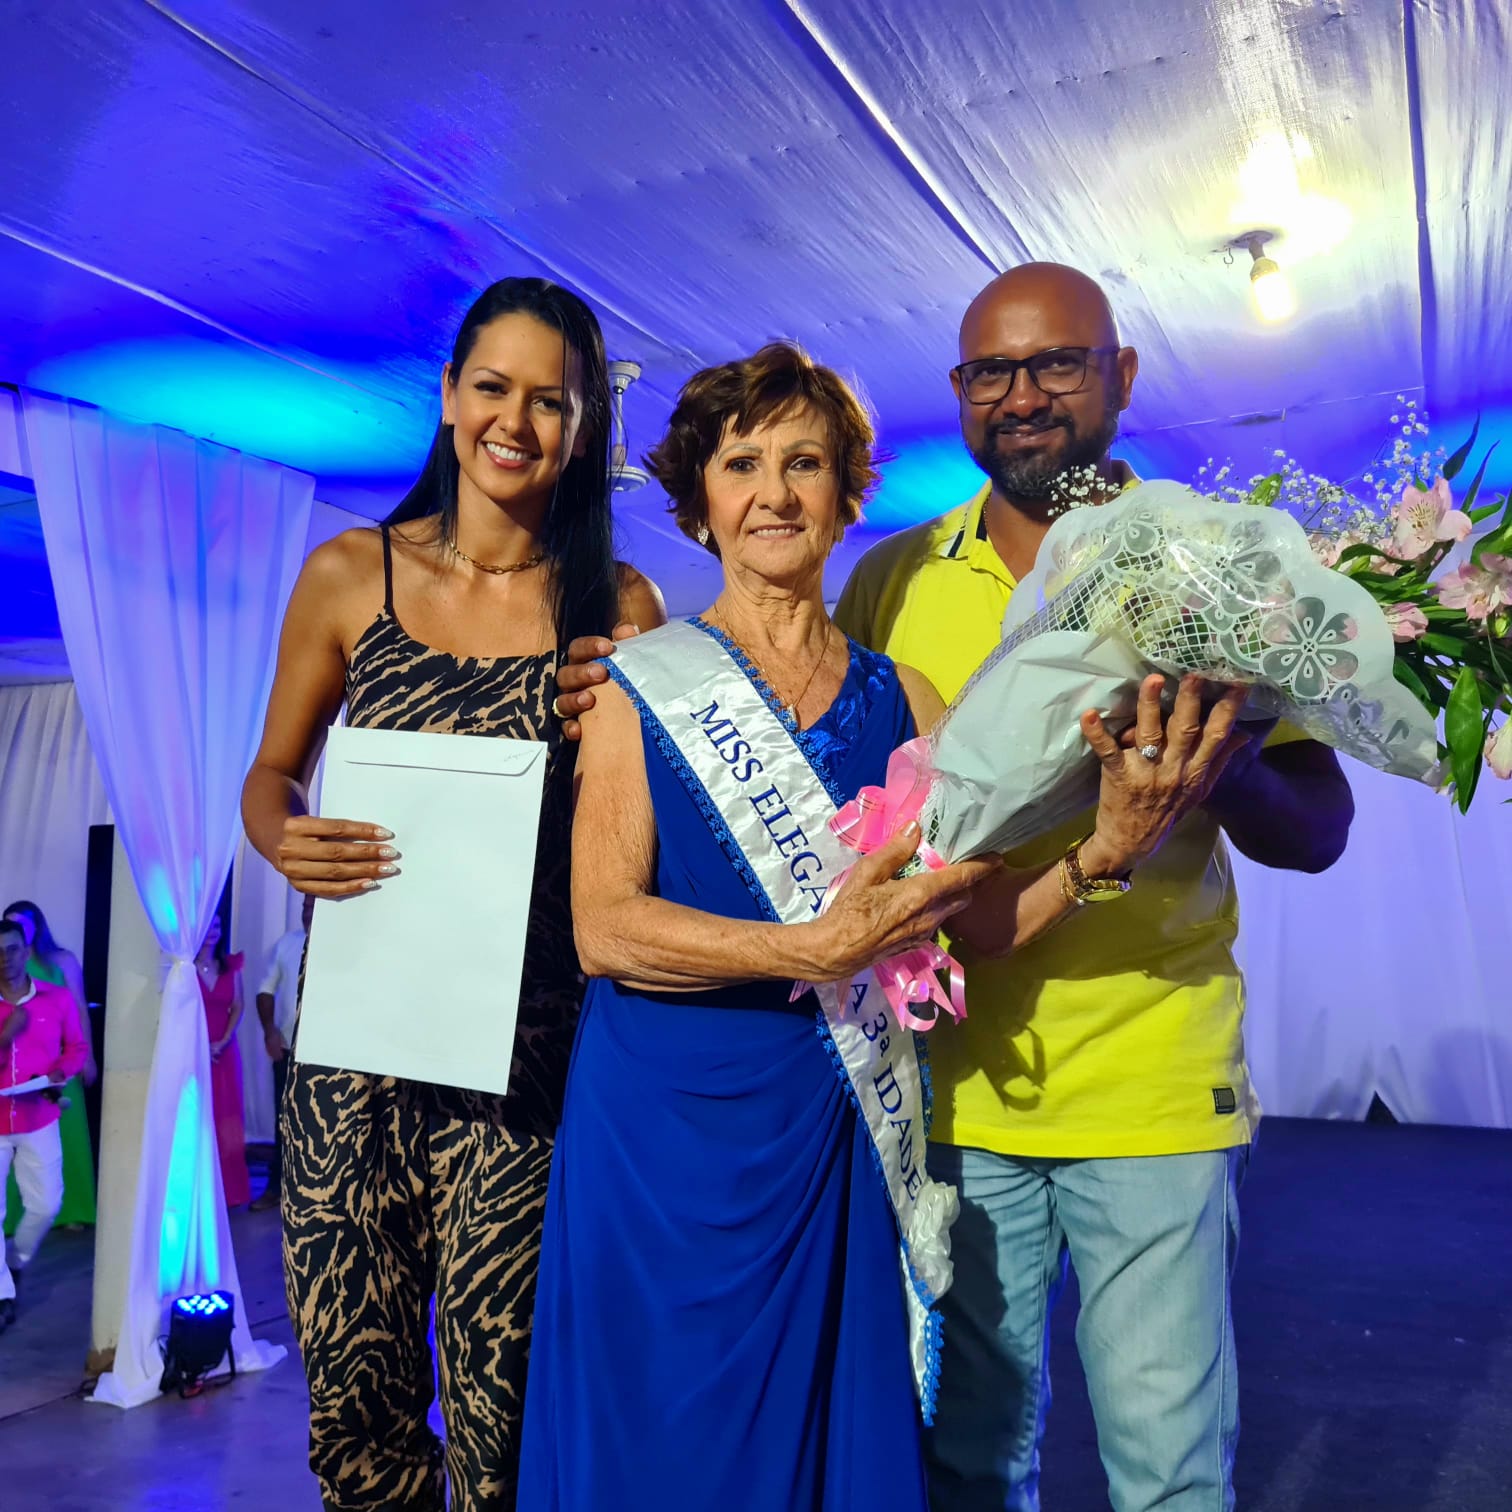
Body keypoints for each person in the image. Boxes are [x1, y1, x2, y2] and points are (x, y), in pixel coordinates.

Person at [519, 341, 1252, 1510]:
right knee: (659, 1433)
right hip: (658, 1127)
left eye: (804, 462)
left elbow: (981, 919)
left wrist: (1105, 852)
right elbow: (605, 930)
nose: (773, 494)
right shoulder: (633, 683)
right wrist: (811, 951)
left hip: (831, 1119)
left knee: (821, 1433)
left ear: (846, 490)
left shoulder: (908, 699)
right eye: (741, 464)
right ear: (699, 497)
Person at [830, 264, 1356, 1511]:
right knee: (971, 1467)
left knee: (1168, 1479)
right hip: (958, 1094)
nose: (1023, 397)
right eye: (991, 373)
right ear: (960, 392)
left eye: (1057, 364)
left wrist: (1213, 763)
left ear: (1120, 375)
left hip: (1153, 1080)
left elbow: (1321, 829)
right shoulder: (893, 580)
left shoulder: (1216, 568)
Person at [241, 276, 665, 1511]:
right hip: (354, 1066)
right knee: (356, 1415)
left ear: (583, 428)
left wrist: (632, 724)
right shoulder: (348, 575)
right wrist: (285, 838)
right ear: (447, 396)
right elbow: (270, 776)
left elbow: (644, 837)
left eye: (551, 400)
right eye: (492, 388)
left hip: (525, 1071)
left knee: (507, 1415)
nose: (515, 422)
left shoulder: (618, 609)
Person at [0, 916, 88, 1330]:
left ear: (26, 951)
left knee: (46, 1204)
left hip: (38, 1116)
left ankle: (13, 1262)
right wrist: (6, 1034)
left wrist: (60, 1072)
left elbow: (77, 1047)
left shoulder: (56, 998)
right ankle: (2, 1294)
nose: (5, 959)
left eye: (12, 949)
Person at [3, 901, 96, 1234]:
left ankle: (72, 1211)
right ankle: (14, 1218)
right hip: (12, 1069)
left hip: (57, 1066)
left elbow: (80, 1009)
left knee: (65, 1139)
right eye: (11, 923)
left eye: (24, 923)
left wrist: (87, 1057)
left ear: (37, 926)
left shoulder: (62, 960)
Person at [249, 893, 313, 1213]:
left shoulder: (344, 946)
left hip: (326, 1055)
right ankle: (276, 1188)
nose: (307, 913)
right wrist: (269, 1030)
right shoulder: (287, 944)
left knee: (318, 1123)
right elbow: (265, 989)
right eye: (304, 907)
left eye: (314, 908)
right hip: (288, 1049)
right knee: (283, 1119)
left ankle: (312, 1193)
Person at [195, 913, 250, 1209]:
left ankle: (230, 1192)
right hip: (193, 1049)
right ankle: (201, 1191)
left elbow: (238, 1005)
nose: (213, 933)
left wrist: (223, 1041)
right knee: (200, 1116)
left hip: (225, 1052)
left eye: (217, 926)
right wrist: (200, 1045)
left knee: (227, 1118)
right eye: (208, 927)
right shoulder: (185, 968)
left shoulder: (231, 966)